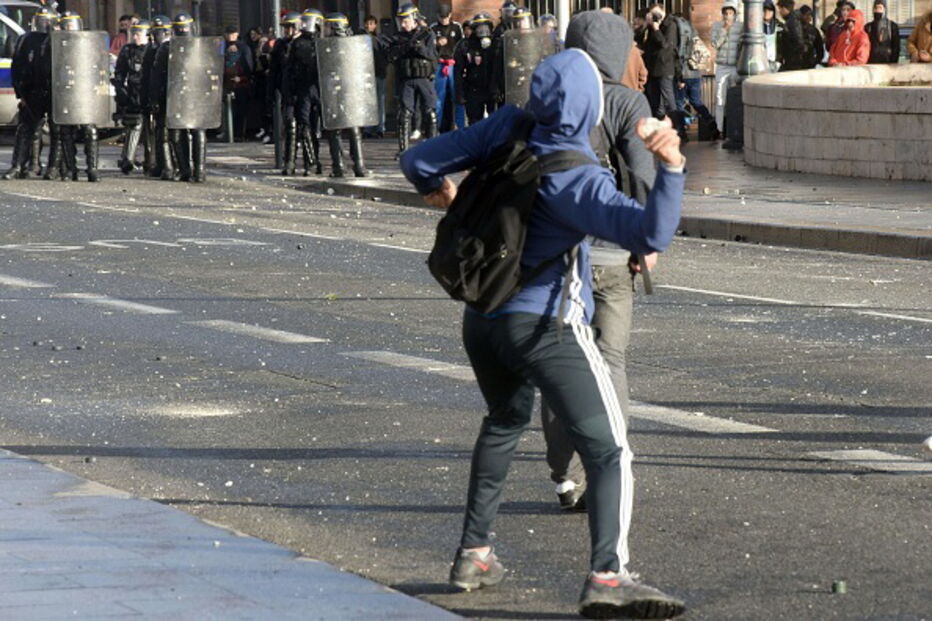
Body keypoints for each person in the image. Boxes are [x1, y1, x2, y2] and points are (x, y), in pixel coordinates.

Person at [399, 47, 687, 621]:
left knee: (504, 421)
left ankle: (474, 554)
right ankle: (609, 575)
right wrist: (673, 167)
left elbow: (417, 160)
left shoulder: (508, 127)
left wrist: (441, 192)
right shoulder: (578, 180)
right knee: (609, 449)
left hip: (482, 319)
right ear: (588, 106)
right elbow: (651, 235)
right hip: (546, 325)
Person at [541, 9, 659, 514]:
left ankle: (564, 474)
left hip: (558, 254)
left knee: (562, 365)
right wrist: (645, 244)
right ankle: (608, 464)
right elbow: (644, 175)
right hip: (612, 251)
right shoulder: (627, 101)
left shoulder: (549, 95)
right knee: (610, 361)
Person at [154, 13, 208, 182]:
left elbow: (210, 71)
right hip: (175, 95)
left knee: (198, 129)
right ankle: (185, 169)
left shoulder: (202, 47)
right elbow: (159, 75)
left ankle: (199, 170)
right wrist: (158, 98)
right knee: (176, 132)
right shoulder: (166, 48)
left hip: (196, 94)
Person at [5, 7, 55, 180]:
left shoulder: (57, 39)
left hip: (53, 90)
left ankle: (53, 167)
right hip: (32, 89)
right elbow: (17, 66)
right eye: (42, 21)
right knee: (27, 128)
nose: (45, 24)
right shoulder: (25, 40)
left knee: (57, 131)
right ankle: (21, 165)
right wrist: (20, 93)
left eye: (48, 21)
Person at [320, 13, 370, 178]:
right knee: (353, 128)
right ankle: (359, 166)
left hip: (338, 90)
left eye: (328, 26)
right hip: (351, 92)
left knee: (336, 129)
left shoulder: (331, 45)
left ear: (335, 27)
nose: (325, 30)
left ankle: (339, 166)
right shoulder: (354, 43)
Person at [385, 3, 438, 156]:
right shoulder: (398, 36)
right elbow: (391, 56)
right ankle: (403, 149)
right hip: (406, 79)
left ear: (414, 18)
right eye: (400, 20)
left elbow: (432, 55)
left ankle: (433, 148)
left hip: (423, 78)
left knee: (430, 112)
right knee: (404, 113)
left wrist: (418, 47)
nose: (403, 23)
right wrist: (404, 47)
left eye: (406, 20)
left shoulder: (427, 34)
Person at [57, 11, 100, 183]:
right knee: (66, 131)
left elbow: (96, 68)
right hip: (65, 93)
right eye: (66, 25)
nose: (69, 28)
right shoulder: (57, 45)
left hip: (84, 95)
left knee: (90, 130)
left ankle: (92, 168)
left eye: (72, 25)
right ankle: (70, 169)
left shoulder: (87, 44)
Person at [287, 9, 324, 175]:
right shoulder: (298, 43)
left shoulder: (323, 41)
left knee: (319, 126)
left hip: (320, 88)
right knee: (305, 125)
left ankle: (325, 162)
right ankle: (311, 162)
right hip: (304, 88)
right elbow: (290, 69)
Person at [113, 20, 150, 174]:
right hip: (134, 91)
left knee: (152, 129)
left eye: (139, 34)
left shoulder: (152, 49)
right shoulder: (127, 50)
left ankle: (152, 160)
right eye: (133, 33)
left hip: (149, 90)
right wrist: (121, 89)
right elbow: (120, 72)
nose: (135, 37)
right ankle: (127, 159)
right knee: (134, 125)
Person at [270, 11, 301, 173]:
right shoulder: (280, 45)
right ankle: (289, 161)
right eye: (285, 27)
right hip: (287, 90)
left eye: (290, 27)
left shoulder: (305, 42)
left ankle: (312, 163)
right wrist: (272, 91)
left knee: (308, 128)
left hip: (304, 91)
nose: (287, 30)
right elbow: (274, 69)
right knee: (290, 124)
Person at [674, 14, 714, 140]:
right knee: (696, 102)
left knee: (679, 104)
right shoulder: (694, 35)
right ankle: (712, 125)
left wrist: (679, 77)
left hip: (684, 75)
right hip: (696, 74)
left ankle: (681, 132)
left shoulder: (680, 37)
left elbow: (679, 58)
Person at [454, 12, 496, 126]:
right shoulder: (466, 45)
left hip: (492, 90)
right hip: (473, 89)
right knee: (475, 122)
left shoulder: (496, 44)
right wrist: (460, 94)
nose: (483, 31)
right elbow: (458, 71)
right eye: (479, 28)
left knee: (494, 122)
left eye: (485, 28)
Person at [143, 15, 172, 178]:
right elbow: (148, 76)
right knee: (160, 132)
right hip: (158, 95)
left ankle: (172, 166)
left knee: (170, 134)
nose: (156, 36)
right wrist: (149, 98)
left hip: (173, 95)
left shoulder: (173, 48)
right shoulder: (152, 49)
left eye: (160, 32)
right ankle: (162, 165)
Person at [642, 3, 679, 128]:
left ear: (663, 12)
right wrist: (646, 26)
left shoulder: (670, 25)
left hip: (664, 67)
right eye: (653, 14)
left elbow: (664, 44)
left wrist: (657, 29)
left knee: (669, 99)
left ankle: (678, 128)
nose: (655, 17)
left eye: (657, 14)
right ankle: (658, 127)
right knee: (655, 101)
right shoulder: (651, 26)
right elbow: (644, 44)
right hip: (652, 68)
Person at [431, 5, 464, 132]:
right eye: (441, 17)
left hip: (454, 65)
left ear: (450, 15)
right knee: (439, 98)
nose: (443, 20)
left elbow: (461, 45)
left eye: (445, 17)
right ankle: (437, 128)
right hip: (440, 65)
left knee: (458, 96)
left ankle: (460, 126)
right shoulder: (433, 28)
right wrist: (437, 44)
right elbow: (429, 49)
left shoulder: (456, 27)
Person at [711, 0, 741, 137]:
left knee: (734, 95)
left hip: (735, 65)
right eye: (726, 13)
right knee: (719, 97)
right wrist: (724, 30)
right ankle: (719, 128)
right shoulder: (717, 26)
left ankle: (734, 127)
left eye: (731, 13)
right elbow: (715, 44)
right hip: (722, 65)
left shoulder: (740, 26)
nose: (728, 16)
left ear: (735, 14)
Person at [221, 25, 254, 141]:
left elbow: (248, 66)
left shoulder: (243, 47)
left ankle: (239, 133)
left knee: (240, 109)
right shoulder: (222, 46)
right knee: (229, 108)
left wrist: (243, 78)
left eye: (232, 33)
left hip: (240, 82)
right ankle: (229, 131)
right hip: (227, 82)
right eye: (228, 33)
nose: (230, 36)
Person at [362, 15, 388, 138]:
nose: (369, 26)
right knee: (368, 101)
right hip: (366, 74)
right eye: (367, 23)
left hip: (378, 73)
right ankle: (368, 128)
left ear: (375, 25)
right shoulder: (360, 38)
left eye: (371, 23)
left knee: (379, 100)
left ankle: (380, 127)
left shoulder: (380, 39)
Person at [776, 0, 811, 70]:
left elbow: (798, 41)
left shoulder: (792, 22)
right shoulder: (793, 20)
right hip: (794, 60)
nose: (779, 12)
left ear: (784, 9)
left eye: (780, 9)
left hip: (794, 61)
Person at [763, 0, 784, 71]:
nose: (767, 13)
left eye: (769, 10)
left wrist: (780, 60)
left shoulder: (780, 26)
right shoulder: (757, 27)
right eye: (764, 10)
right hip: (762, 62)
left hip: (776, 62)